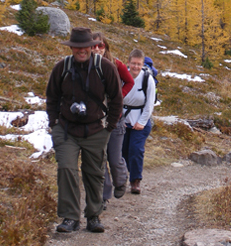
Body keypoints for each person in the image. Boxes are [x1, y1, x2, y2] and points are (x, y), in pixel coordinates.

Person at [46, 27, 123, 233]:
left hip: (96, 130)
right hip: (66, 129)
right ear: (71, 48)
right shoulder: (61, 68)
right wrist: (54, 124)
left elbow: (116, 99)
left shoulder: (105, 68)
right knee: (66, 169)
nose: (81, 51)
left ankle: (93, 216)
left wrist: (110, 127)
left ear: (93, 47)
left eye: (85, 47)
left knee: (94, 174)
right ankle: (70, 217)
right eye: (77, 47)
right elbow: (52, 97)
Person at [91, 32, 134, 209]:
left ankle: (121, 180)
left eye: (100, 45)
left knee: (114, 159)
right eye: (93, 46)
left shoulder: (117, 64)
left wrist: (119, 97)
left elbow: (129, 81)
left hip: (115, 119)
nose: (96, 49)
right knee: (99, 159)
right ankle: (103, 195)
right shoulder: (87, 66)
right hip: (95, 121)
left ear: (106, 47)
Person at [122, 49, 156, 194]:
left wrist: (141, 122)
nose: (135, 67)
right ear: (128, 63)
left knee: (135, 150)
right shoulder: (121, 77)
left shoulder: (147, 79)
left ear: (142, 64)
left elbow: (149, 104)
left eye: (139, 64)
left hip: (141, 119)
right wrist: (119, 119)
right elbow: (115, 99)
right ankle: (122, 178)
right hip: (123, 119)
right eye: (133, 63)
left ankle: (135, 181)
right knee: (122, 151)